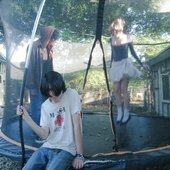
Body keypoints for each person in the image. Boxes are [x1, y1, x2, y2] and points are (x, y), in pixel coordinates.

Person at [17, 71, 84, 170]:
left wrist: (80, 155)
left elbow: (77, 126)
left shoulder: (72, 95)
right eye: (51, 96)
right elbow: (44, 135)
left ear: (62, 87)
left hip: (67, 149)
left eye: (57, 95)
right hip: (47, 146)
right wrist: (27, 117)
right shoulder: (45, 106)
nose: (55, 99)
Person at [109, 18, 147, 124]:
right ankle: (120, 112)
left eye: (115, 30)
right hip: (116, 65)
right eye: (112, 31)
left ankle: (126, 113)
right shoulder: (111, 39)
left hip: (125, 64)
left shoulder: (127, 38)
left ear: (120, 29)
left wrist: (141, 63)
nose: (114, 32)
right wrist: (111, 65)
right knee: (116, 90)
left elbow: (133, 53)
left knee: (123, 89)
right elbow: (112, 53)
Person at [26, 26, 59, 127]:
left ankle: (45, 130)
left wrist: (53, 84)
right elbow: (29, 68)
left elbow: (50, 68)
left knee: (47, 107)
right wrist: (31, 87)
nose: (53, 42)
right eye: (52, 39)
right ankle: (36, 134)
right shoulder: (33, 47)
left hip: (46, 85)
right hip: (36, 85)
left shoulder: (50, 49)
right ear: (47, 37)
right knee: (36, 109)